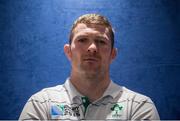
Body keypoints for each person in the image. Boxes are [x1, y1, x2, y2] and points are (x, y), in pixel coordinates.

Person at [19, 13, 160, 120]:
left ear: (113, 54)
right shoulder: (41, 104)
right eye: (82, 40)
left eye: (101, 41)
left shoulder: (138, 106)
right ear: (68, 51)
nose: (92, 48)